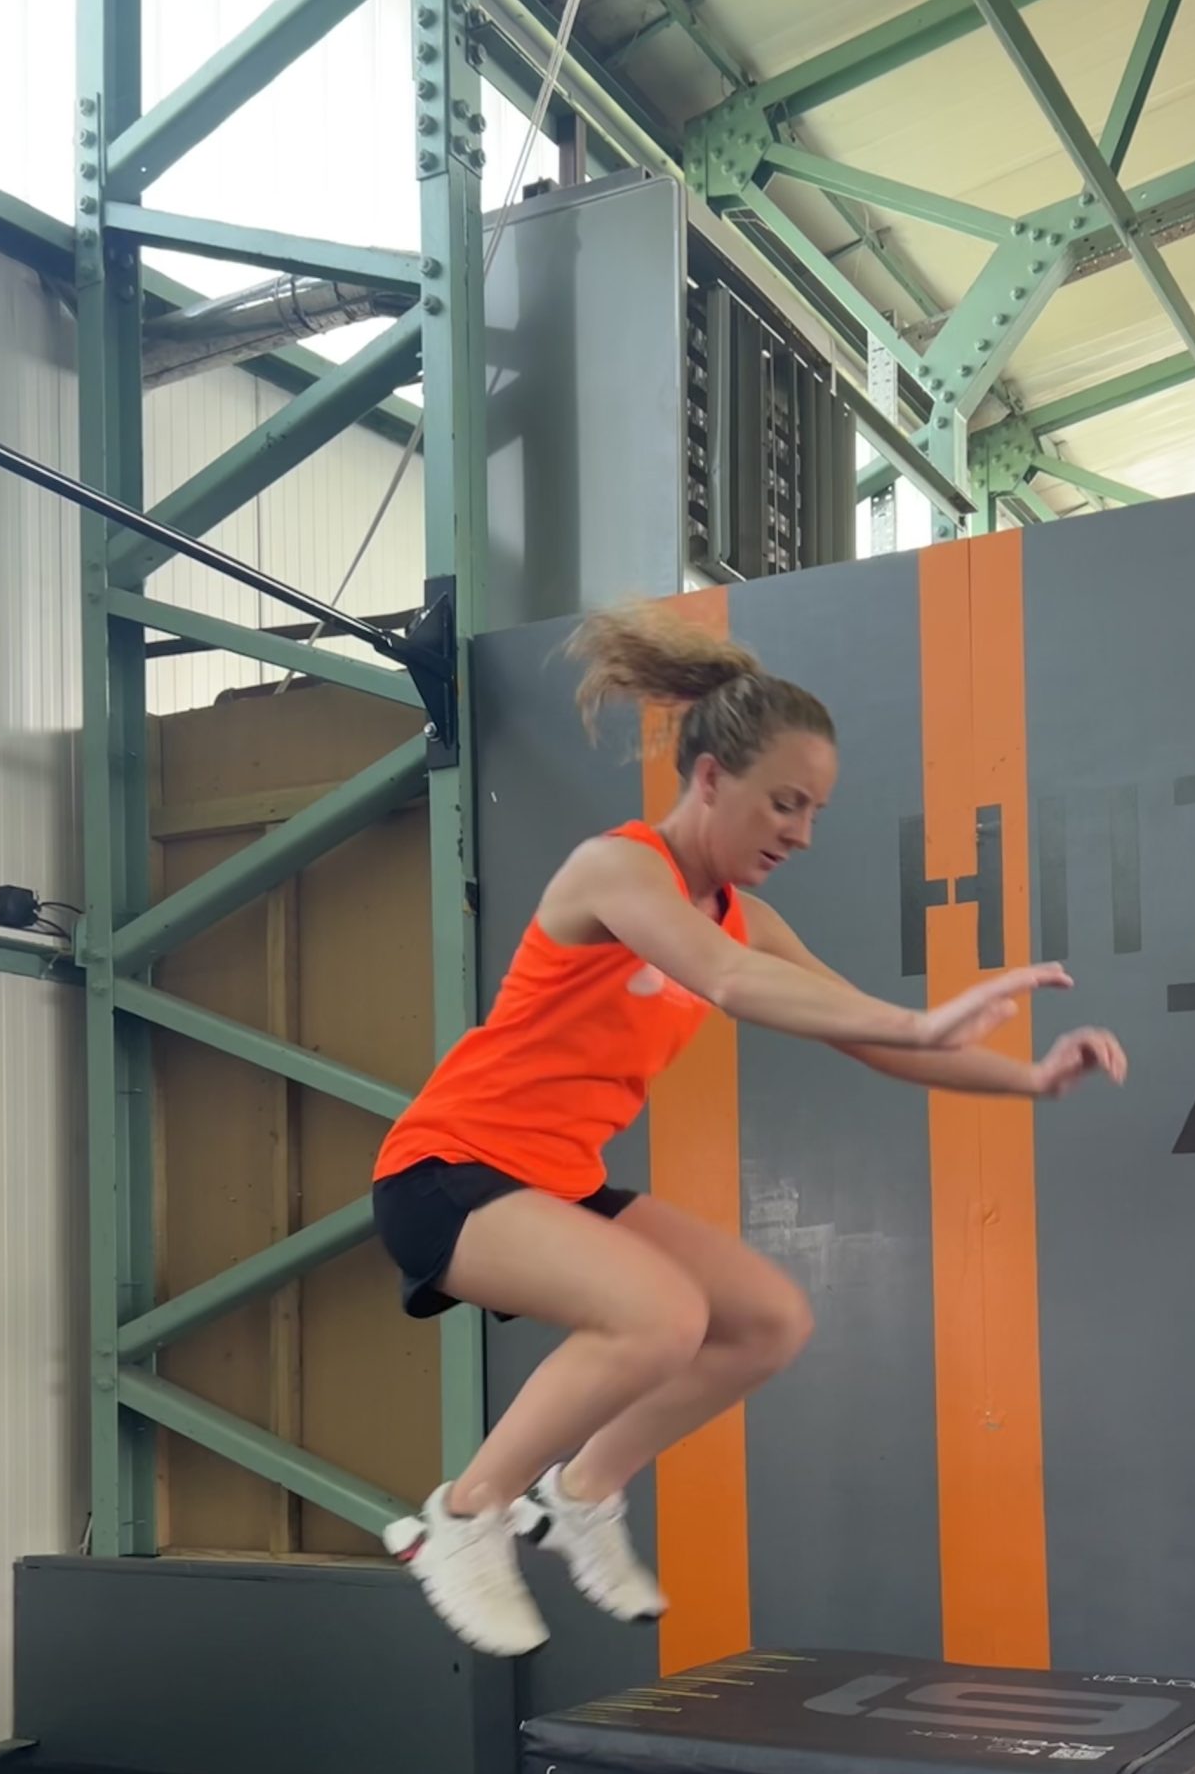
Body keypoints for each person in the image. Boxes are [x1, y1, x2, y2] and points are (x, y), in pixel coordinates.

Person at [374, 605, 1127, 1657]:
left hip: (555, 1178)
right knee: (660, 1316)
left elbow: (869, 1038)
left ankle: (580, 1495)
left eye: (815, 811)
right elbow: (727, 981)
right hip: (447, 1167)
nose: (801, 833)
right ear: (710, 777)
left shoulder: (747, 917)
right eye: (785, 802)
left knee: (767, 1321)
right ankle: (463, 1517)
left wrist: (1030, 1080)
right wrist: (918, 1018)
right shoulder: (616, 869)